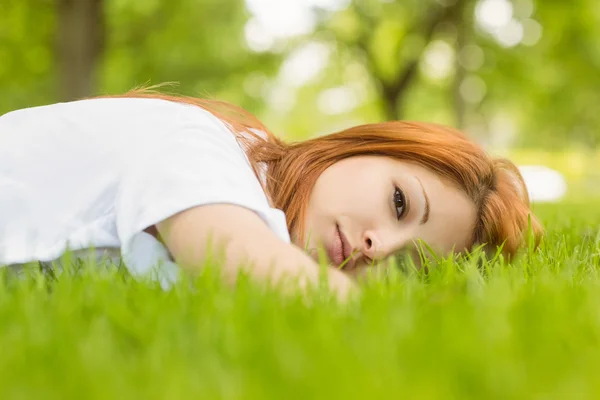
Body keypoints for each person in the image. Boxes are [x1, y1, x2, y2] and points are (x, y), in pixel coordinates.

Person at [0, 87, 542, 299]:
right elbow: (236, 258)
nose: (380, 247)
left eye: (407, 265)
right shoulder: (204, 147)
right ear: (356, 147)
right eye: (399, 203)